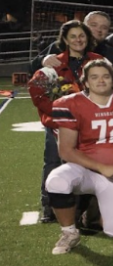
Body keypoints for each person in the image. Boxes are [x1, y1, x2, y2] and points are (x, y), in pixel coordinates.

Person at [44, 60, 113, 254]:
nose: (100, 81)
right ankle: (69, 232)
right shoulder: (71, 103)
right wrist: (101, 167)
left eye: (105, 76)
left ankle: (94, 212)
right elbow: (67, 151)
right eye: (94, 77)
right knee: (56, 181)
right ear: (85, 82)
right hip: (85, 171)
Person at [30, 21, 106, 223]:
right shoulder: (53, 63)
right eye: (73, 36)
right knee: (53, 163)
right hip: (59, 125)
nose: (78, 40)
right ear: (64, 39)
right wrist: (61, 116)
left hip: (89, 125)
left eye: (81, 35)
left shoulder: (98, 60)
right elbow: (40, 94)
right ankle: (49, 205)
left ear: (87, 38)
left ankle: (84, 208)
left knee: (86, 165)